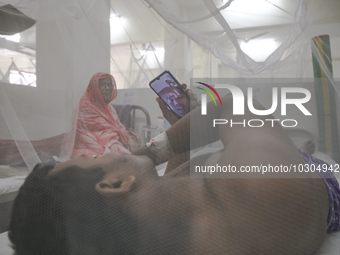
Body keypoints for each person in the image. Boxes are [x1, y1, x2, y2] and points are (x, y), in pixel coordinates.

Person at [9, 91, 340, 255]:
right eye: (94, 156)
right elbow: (233, 103)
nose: (106, 152)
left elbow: (170, 189)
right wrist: (153, 149)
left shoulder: (163, 228)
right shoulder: (257, 188)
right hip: (300, 173)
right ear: (116, 183)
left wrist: (178, 124)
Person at [72, 72, 139, 158]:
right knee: (91, 161)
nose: (107, 88)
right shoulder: (83, 108)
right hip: (90, 148)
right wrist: (105, 152)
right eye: (103, 85)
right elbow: (82, 136)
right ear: (94, 87)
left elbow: (119, 127)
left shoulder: (109, 108)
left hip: (112, 146)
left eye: (110, 85)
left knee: (131, 161)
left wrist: (129, 138)